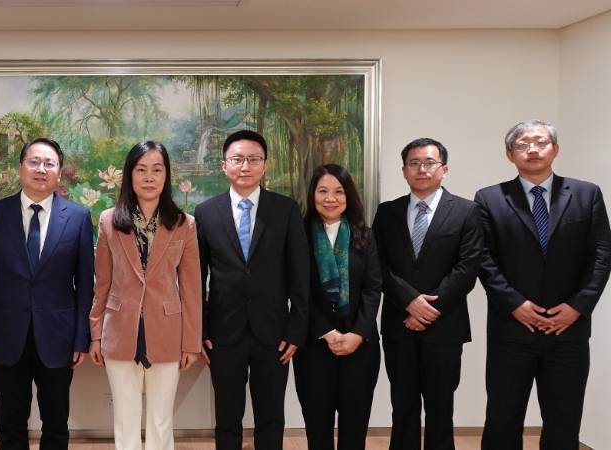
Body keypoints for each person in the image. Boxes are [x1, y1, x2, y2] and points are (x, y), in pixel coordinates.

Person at [475, 120, 610, 450]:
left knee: (564, 420)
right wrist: (514, 304)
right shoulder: (490, 198)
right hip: (512, 329)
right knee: (503, 420)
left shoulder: (586, 193)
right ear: (510, 154)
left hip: (569, 330)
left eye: (540, 142)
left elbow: (602, 254)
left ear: (556, 149)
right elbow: (482, 257)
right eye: (522, 144)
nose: (532, 149)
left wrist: (578, 306)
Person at [194, 129, 310, 450]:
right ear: (224, 165)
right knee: (227, 417)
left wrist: (297, 328)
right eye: (238, 159)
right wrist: (199, 329)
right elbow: (195, 277)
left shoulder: (285, 209)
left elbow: (300, 274)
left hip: (274, 332)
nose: (245, 166)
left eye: (253, 159)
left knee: (271, 416)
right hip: (222, 332)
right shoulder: (205, 212)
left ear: (265, 165)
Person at [0, 138, 94, 450]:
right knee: (10, 422)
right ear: (20, 168)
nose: (41, 169)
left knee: (56, 422)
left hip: (58, 335)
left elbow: (85, 285)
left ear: (59, 172)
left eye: (49, 163)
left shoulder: (79, 217)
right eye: (34, 162)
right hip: (6, 336)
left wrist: (81, 337)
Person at [89, 141, 202, 450]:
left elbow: (192, 289)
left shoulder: (184, 224)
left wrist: (191, 342)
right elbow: (102, 283)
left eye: (157, 169)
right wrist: (96, 334)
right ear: (129, 175)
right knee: (125, 418)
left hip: (167, 331)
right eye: (141, 170)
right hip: (119, 329)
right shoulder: (109, 220)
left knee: (161, 418)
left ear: (166, 176)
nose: (149, 177)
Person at [372, 138, 482, 450]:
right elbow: (379, 265)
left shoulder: (466, 211)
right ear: (404, 171)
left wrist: (430, 308)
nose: (422, 169)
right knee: (402, 405)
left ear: (444, 169)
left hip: (445, 327)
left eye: (429, 162)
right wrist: (409, 302)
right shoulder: (387, 212)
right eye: (414, 163)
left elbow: (467, 267)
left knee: (440, 405)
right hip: (399, 325)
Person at [293, 164, 382, 450]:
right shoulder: (299, 235)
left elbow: (372, 288)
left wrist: (357, 333)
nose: (330, 198)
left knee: (355, 425)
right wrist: (326, 331)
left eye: (338, 191)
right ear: (312, 195)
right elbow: (299, 291)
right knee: (317, 425)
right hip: (314, 343)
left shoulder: (364, 236)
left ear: (348, 196)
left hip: (360, 344)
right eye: (323, 191)